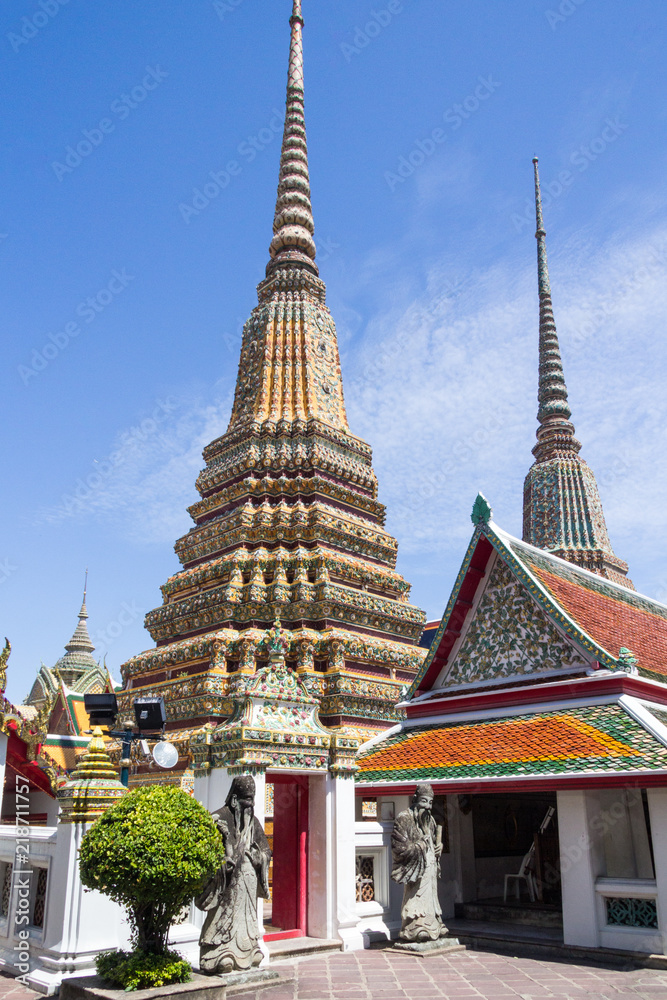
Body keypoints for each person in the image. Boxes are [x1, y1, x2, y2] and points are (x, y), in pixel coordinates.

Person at [196, 775, 271, 973]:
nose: (251, 804)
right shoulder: (218, 818)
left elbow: (266, 851)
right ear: (235, 799)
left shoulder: (253, 822)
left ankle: (249, 951)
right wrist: (221, 863)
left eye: (253, 800)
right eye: (247, 799)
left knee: (248, 924)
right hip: (226, 885)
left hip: (247, 885)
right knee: (223, 918)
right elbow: (205, 852)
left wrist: (258, 857)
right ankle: (217, 954)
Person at [391, 782, 447, 943]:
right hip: (416, 865)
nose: (427, 807)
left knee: (431, 895)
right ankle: (414, 926)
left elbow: (434, 841)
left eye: (430, 803)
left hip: (430, 866)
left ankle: (434, 924)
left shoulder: (430, 821)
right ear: (415, 799)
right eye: (424, 801)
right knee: (416, 895)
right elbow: (399, 847)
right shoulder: (404, 818)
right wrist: (420, 845)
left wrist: (439, 847)